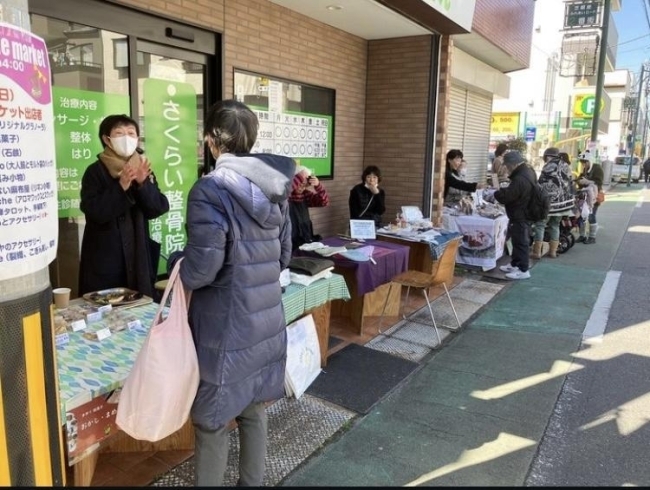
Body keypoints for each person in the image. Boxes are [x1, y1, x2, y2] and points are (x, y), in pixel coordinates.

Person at [168, 100, 294, 486]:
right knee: (254, 411)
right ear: (251, 141)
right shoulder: (276, 187)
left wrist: (178, 262)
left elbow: (202, 270)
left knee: (211, 422)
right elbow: (283, 256)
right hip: (266, 320)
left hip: (225, 328)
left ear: (210, 142)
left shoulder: (210, 190)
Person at [78, 114, 169, 298]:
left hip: (138, 258)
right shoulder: (95, 171)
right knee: (105, 312)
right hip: (106, 261)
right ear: (107, 139)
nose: (127, 138)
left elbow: (158, 208)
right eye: (119, 133)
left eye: (131, 133)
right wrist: (121, 187)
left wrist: (143, 184)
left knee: (138, 309)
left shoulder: (142, 168)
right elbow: (94, 211)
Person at [492, 150, 537, 280]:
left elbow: (508, 196)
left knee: (521, 242)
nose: (506, 167)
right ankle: (515, 264)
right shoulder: (527, 172)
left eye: (507, 165)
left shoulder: (520, 178)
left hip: (520, 213)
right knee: (517, 240)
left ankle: (523, 269)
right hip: (523, 212)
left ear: (513, 164)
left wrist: (496, 193)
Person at [531, 148, 574, 259]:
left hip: (550, 204)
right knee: (555, 225)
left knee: (540, 225)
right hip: (563, 204)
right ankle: (553, 252)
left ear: (548, 156)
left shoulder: (549, 166)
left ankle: (537, 252)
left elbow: (541, 184)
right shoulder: (565, 165)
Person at [289, 164, 330, 250]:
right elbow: (285, 192)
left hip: (305, 236)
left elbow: (324, 202)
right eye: (300, 183)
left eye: (305, 185)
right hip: (290, 238)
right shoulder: (286, 196)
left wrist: (318, 185)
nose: (302, 187)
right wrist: (301, 175)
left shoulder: (305, 194)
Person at [576, 151, 604, 244]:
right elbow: (580, 180)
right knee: (582, 216)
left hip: (594, 196)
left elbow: (599, 182)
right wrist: (578, 181)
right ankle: (582, 235)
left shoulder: (597, 168)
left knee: (591, 216)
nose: (584, 165)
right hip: (584, 196)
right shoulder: (585, 170)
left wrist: (587, 181)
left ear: (589, 161)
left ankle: (592, 237)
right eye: (582, 163)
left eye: (585, 162)